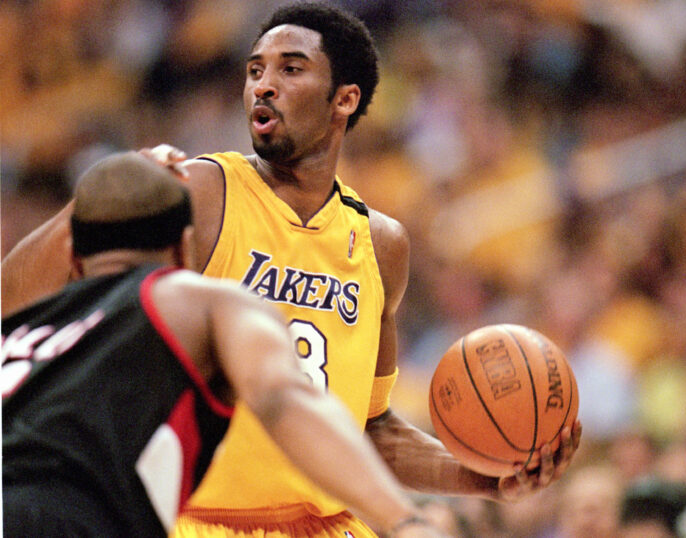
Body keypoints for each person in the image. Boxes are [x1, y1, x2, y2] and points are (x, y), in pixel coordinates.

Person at [1, 3, 582, 537]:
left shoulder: (381, 244)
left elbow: (369, 431)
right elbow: (14, 300)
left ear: (344, 99)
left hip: (328, 525)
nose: (264, 84)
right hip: (199, 522)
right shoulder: (204, 191)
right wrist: (98, 201)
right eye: (255, 70)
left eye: (291, 68)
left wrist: (481, 477)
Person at [1, 152, 445, 538]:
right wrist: (405, 520)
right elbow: (280, 398)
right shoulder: (188, 300)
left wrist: (105, 190)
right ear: (184, 250)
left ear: (75, 260)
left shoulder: (26, 331)